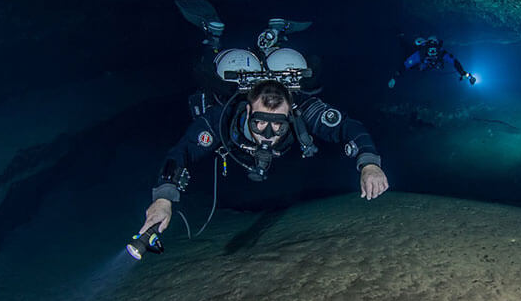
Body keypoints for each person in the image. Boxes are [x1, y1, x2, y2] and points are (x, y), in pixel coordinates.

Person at [139, 79, 389, 235]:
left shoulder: (303, 109)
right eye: (260, 123)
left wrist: (369, 163)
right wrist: (164, 198)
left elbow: (348, 127)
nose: (268, 135)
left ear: (290, 113)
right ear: (248, 112)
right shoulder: (221, 118)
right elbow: (181, 150)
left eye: (278, 125)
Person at [388, 35, 476, 88]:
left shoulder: (441, 53)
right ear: (426, 48)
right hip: (417, 63)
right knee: (406, 50)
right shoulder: (420, 54)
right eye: (430, 50)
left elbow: (455, 62)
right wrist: (394, 78)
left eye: (435, 49)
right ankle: (400, 37)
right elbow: (405, 65)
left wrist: (464, 74)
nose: (433, 53)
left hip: (424, 66)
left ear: (438, 47)